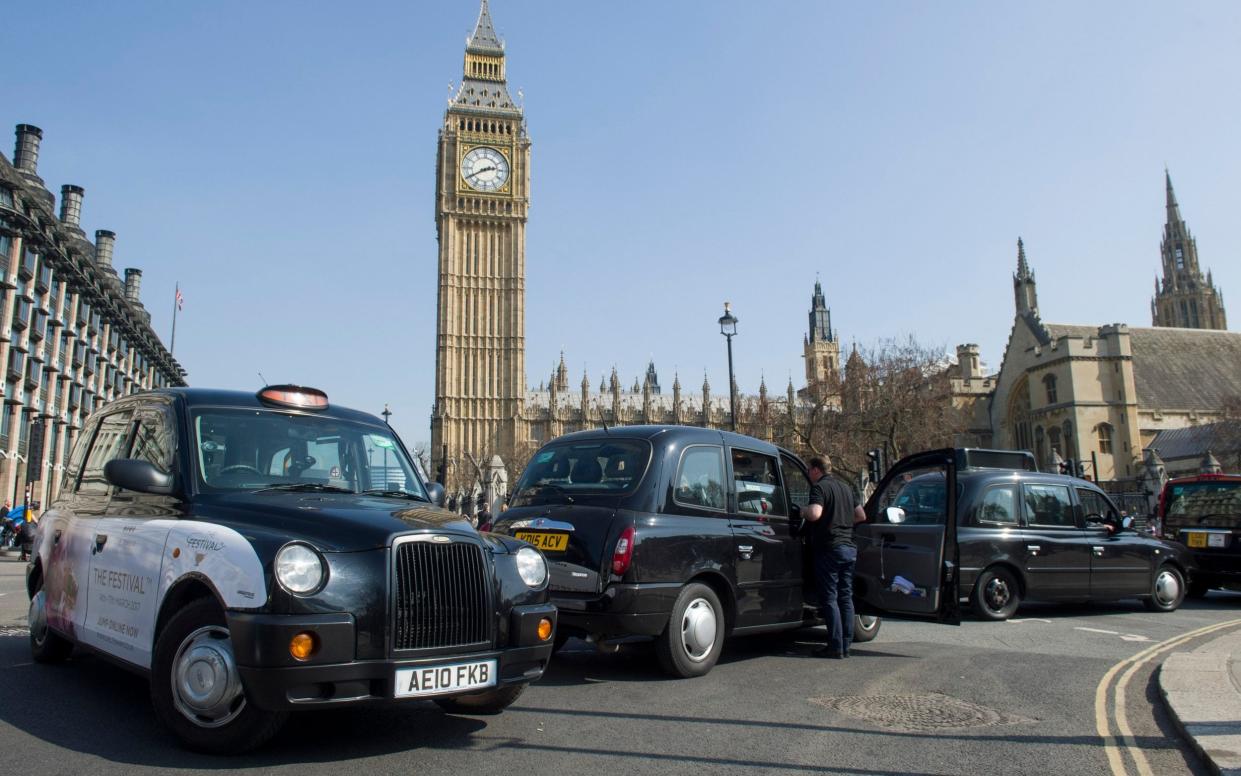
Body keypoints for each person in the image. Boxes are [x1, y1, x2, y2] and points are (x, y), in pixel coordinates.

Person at [802, 455, 867, 659]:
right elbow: (861, 516)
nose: (807, 473)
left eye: (808, 469)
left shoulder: (820, 488)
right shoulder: (846, 488)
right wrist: (844, 523)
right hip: (849, 548)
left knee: (829, 598)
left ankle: (835, 645)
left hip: (830, 548)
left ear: (815, 470)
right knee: (845, 596)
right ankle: (846, 644)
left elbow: (815, 513)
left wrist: (801, 511)